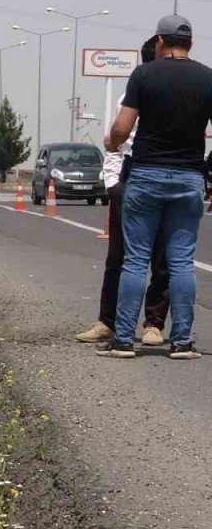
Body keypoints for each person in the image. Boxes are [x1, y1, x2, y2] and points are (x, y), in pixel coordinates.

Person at [99, 15, 212, 359]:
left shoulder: (144, 74)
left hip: (146, 175)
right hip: (189, 177)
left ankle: (122, 341)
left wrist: (113, 143)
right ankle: (181, 342)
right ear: (190, 43)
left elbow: (122, 126)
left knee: (135, 260)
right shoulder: (208, 78)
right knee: (181, 261)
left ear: (160, 42)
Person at [76, 36, 171, 346]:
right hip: (129, 181)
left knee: (161, 257)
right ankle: (108, 321)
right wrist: (113, 185)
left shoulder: (176, 95)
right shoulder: (132, 96)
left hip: (163, 178)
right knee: (118, 255)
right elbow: (115, 140)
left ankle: (153, 324)